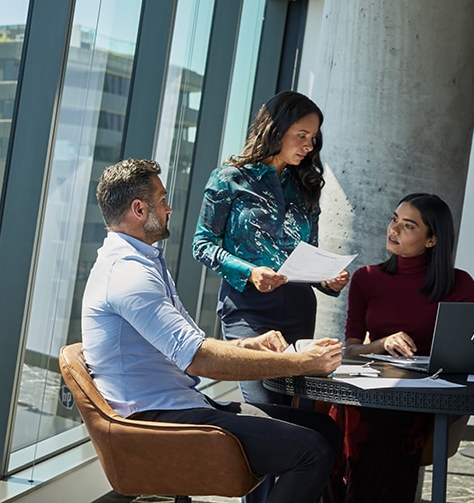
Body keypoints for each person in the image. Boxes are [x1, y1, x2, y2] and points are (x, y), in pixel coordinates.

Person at [81, 159, 344, 503]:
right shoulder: (128, 275)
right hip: (160, 420)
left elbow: (192, 345)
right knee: (312, 450)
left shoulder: (141, 264)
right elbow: (201, 361)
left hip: (180, 405)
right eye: (162, 200)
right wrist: (303, 363)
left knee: (323, 428)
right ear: (139, 208)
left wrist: (249, 345)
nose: (169, 207)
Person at [193, 90, 349, 407]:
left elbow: (309, 253)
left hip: (298, 309)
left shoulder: (306, 185)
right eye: (301, 135)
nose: (309, 146)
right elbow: (202, 244)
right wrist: (250, 272)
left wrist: (327, 280)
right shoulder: (229, 179)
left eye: (313, 138)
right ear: (276, 130)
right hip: (247, 309)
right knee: (265, 406)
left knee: (298, 405)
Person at [324, 192, 474, 503]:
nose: (393, 230)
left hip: (426, 398)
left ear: (432, 240)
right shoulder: (367, 278)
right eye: (394, 219)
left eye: (408, 226)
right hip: (373, 391)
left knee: (372, 420)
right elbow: (351, 350)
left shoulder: (460, 285)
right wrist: (382, 343)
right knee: (352, 411)